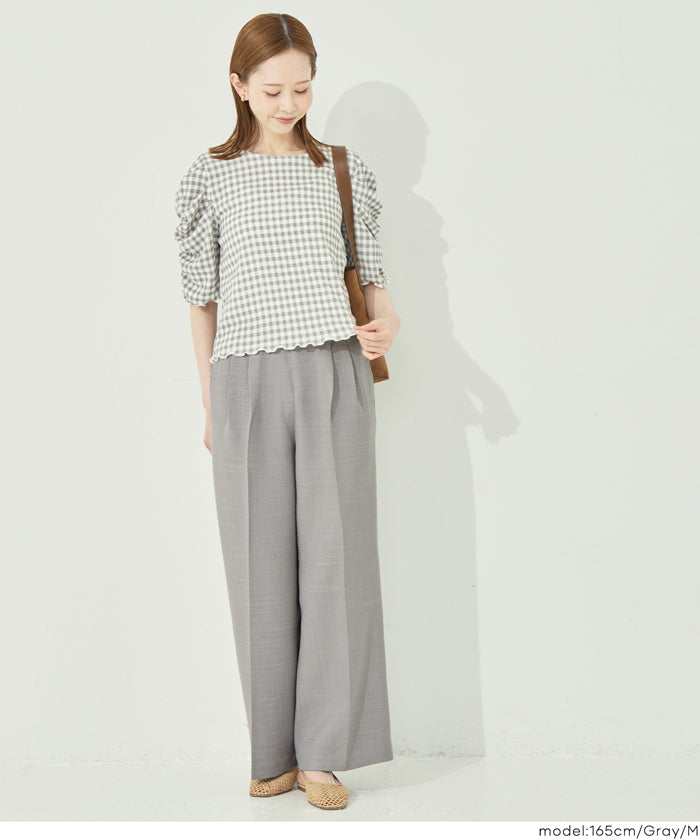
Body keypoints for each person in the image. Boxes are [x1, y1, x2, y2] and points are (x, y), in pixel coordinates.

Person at [173, 12, 400, 811]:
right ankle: (273, 752)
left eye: (302, 88)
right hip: (244, 379)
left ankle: (324, 757)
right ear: (239, 86)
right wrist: (210, 401)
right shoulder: (209, 176)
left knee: (338, 563)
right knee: (257, 564)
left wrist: (388, 323)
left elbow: (374, 277)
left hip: (334, 369)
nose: (289, 103)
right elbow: (201, 301)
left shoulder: (340, 168)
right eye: (272, 90)